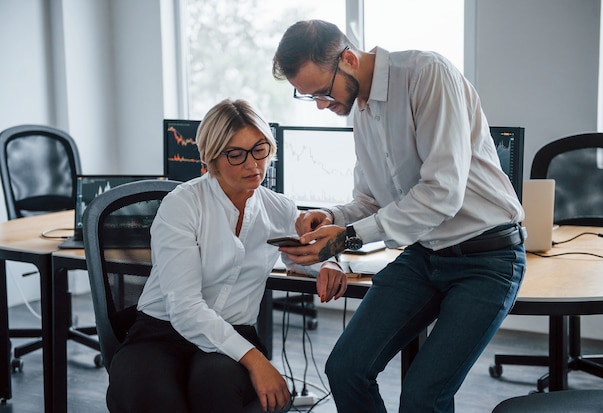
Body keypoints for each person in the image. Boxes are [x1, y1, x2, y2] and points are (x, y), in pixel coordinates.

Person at [272, 20, 526, 412]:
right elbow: (373, 200)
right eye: (311, 98)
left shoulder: (427, 75)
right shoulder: (359, 112)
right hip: (426, 255)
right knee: (345, 368)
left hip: (487, 258)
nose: (323, 106)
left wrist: (347, 237)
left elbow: (441, 193)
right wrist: (331, 216)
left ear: (350, 59)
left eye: (322, 92)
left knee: (423, 395)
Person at [105, 98, 347, 413]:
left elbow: (303, 250)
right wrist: (257, 362)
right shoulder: (183, 205)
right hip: (161, 332)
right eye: (236, 154)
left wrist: (329, 262)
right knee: (144, 391)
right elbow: (186, 309)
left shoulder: (280, 208)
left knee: (216, 386)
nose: (253, 165)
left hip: (234, 332)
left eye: (260, 149)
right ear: (212, 158)